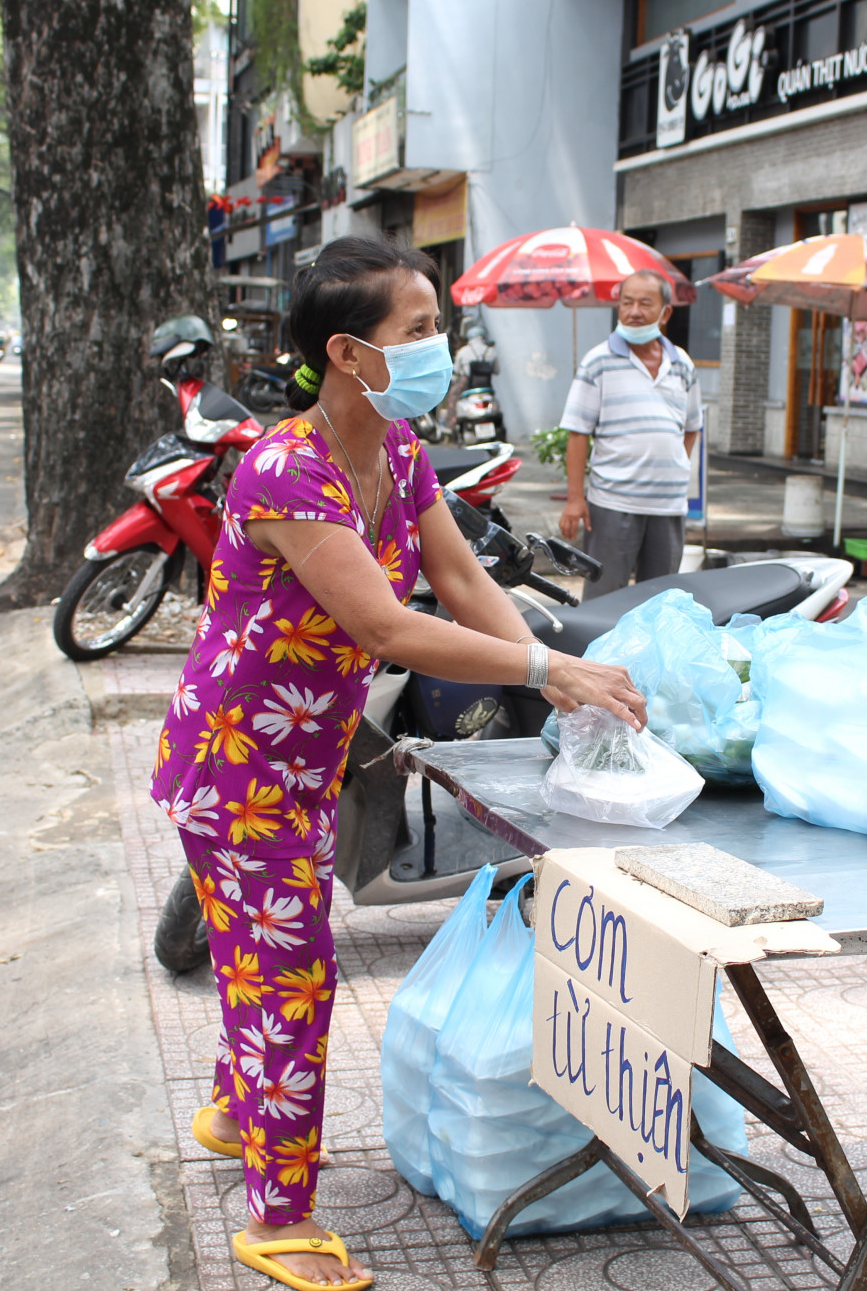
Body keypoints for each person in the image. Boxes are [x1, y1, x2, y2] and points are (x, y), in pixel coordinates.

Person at [148, 235, 644, 1291]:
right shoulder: (287, 467)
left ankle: (242, 1113)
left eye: (437, 327)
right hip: (235, 770)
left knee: (265, 950)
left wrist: (542, 673)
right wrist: (546, 667)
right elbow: (385, 627)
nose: (441, 349)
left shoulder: (404, 451)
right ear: (344, 353)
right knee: (292, 976)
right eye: (417, 331)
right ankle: (277, 1215)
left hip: (307, 759)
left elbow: (461, 581)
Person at [557, 269, 702, 598]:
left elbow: (691, 428)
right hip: (613, 503)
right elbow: (578, 433)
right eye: (627, 303)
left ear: (665, 312)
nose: (635, 311)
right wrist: (575, 499)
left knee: (661, 602)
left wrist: (671, 468)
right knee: (604, 598)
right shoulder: (599, 361)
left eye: (645, 304)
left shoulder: (682, 364)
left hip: (668, 507)